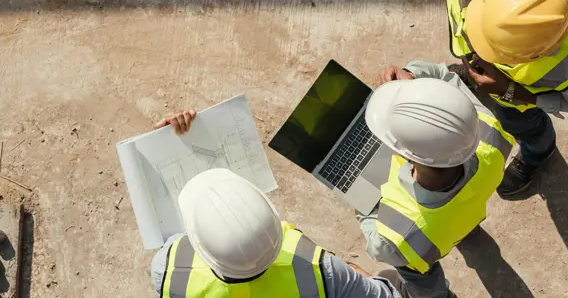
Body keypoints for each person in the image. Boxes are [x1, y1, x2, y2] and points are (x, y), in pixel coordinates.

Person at [237, 0, 568, 197]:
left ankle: (538, 151)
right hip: (501, 82)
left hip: (516, 96)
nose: (471, 53)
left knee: (525, 126)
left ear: (531, 54)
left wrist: (516, 93)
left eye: (485, 50)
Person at [149, 111, 403, 298]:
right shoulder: (320, 269)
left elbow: (173, 233)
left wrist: (164, 144)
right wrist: (348, 272)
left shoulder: (169, 270)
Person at [356, 76, 516, 298]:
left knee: (416, 273)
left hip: (427, 241)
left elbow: (377, 246)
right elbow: (446, 79)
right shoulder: (491, 134)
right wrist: (413, 79)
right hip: (463, 214)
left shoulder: (398, 238)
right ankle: (467, 233)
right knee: (459, 218)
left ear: (404, 155)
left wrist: (361, 204)